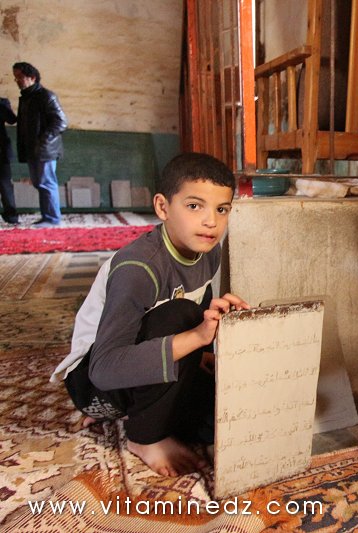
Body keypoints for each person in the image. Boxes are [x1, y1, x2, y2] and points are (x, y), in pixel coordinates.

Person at [50, 152, 249, 476]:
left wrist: (202, 345)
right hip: (96, 383)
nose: (211, 221)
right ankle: (144, 437)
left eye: (222, 209)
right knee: (182, 315)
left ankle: (152, 415)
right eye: (194, 206)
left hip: (142, 376)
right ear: (162, 207)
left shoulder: (207, 252)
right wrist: (198, 335)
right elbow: (104, 368)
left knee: (223, 420)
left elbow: (197, 309)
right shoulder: (138, 268)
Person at [12, 62, 68, 228]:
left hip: (45, 150)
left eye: (20, 77)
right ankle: (47, 217)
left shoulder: (46, 96)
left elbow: (61, 122)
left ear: (32, 78)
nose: (18, 81)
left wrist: (43, 140)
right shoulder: (26, 98)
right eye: (16, 78)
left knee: (46, 183)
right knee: (39, 183)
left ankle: (52, 219)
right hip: (32, 150)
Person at [0, 96, 17, 224]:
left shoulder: (2, 102)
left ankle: (11, 216)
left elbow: (12, 119)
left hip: (1, 150)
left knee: (5, 184)